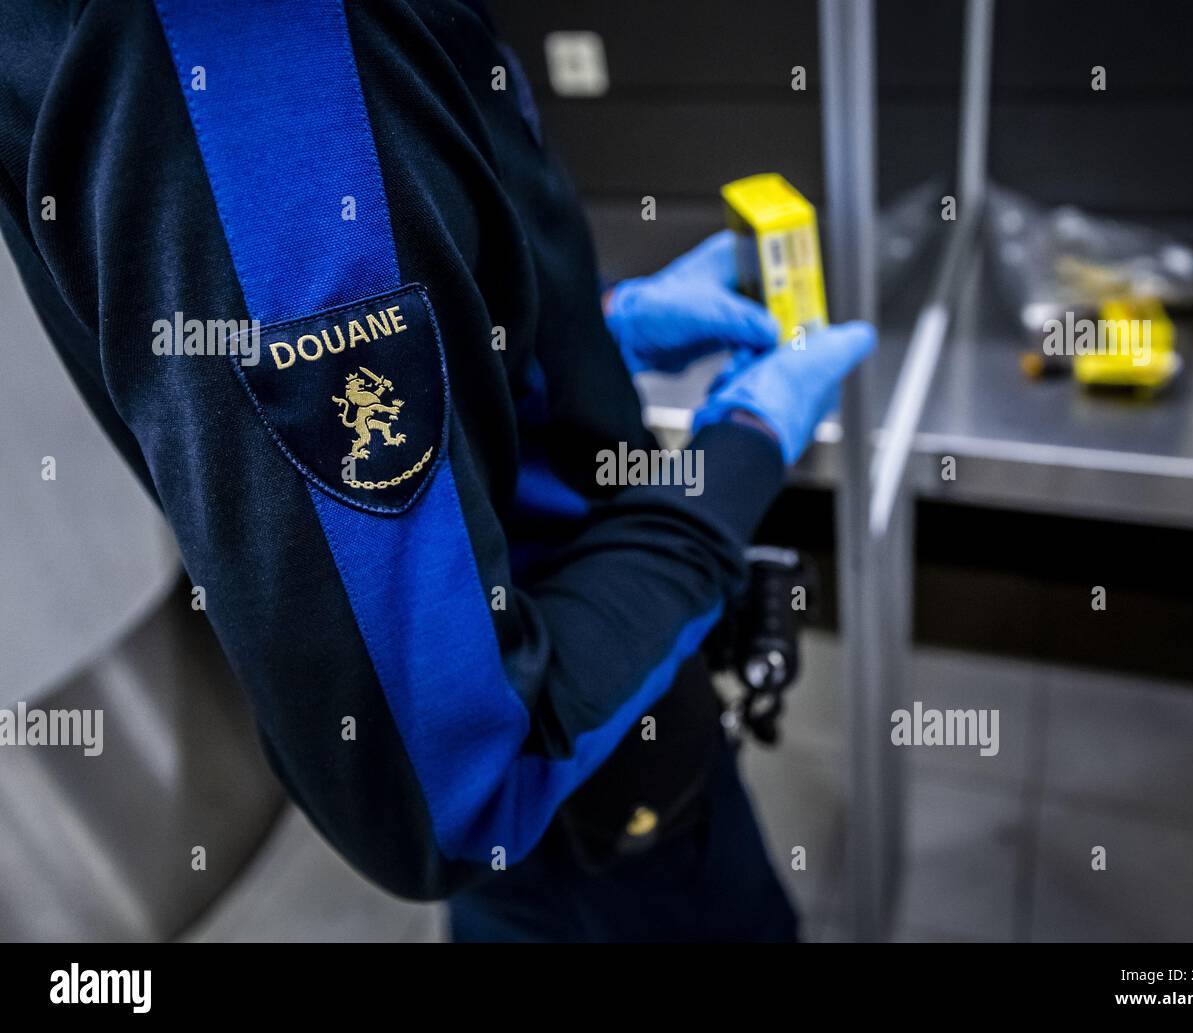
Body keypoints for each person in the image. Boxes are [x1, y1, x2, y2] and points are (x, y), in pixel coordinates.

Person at [0, 0, 874, 942]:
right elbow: (454, 794)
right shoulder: (255, 42)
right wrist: (742, 448)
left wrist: (585, 333)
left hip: (618, 693)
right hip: (581, 811)